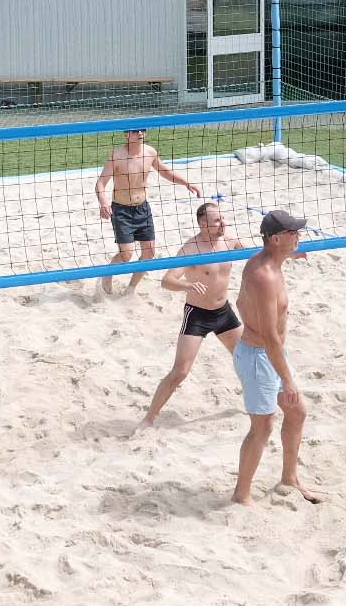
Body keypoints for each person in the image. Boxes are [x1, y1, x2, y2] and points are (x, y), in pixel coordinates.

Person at [231, 210, 322, 505]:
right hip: (260, 357)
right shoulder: (264, 277)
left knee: (297, 412)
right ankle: (241, 495)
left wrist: (289, 255)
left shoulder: (270, 262)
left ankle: (289, 478)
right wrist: (287, 379)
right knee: (262, 428)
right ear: (275, 238)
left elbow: (264, 267)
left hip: (269, 355)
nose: (299, 236)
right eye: (293, 233)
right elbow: (270, 336)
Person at [138, 202, 244, 430]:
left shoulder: (230, 240)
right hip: (197, 315)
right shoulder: (191, 248)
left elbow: (260, 255)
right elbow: (167, 281)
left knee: (250, 360)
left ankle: (265, 403)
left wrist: (289, 254)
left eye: (223, 218)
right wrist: (187, 285)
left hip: (224, 312)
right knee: (180, 372)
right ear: (203, 224)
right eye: (217, 220)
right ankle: (149, 419)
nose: (223, 223)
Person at [94, 128, 201, 298]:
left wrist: (186, 183)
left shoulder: (150, 152)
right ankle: (107, 274)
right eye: (136, 131)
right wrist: (104, 202)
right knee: (126, 254)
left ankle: (130, 289)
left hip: (142, 209)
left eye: (143, 130)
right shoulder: (117, 156)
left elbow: (166, 171)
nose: (140, 133)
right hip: (121, 210)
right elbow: (100, 183)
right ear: (127, 134)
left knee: (149, 253)